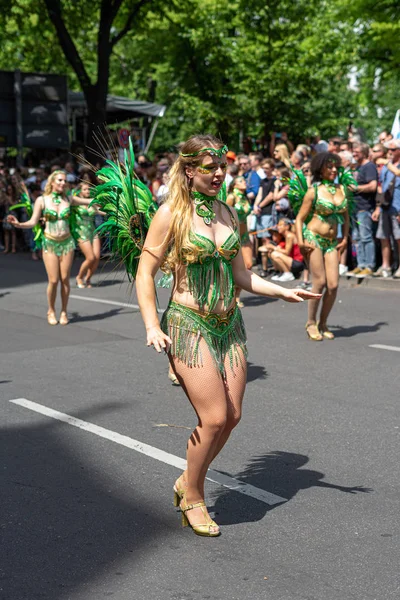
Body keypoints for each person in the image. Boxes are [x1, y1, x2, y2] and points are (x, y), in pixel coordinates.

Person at [134, 134, 319, 536]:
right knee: (214, 417)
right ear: (188, 170)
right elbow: (145, 273)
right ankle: (194, 497)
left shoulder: (228, 213)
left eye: (222, 167)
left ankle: (187, 478)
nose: (219, 173)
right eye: (209, 167)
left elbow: (241, 274)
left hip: (229, 324)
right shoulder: (171, 215)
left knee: (232, 416)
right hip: (188, 322)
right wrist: (151, 324)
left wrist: (283, 290)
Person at [7, 170, 91, 325]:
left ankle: (64, 311)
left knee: (65, 279)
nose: (63, 183)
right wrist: (18, 224)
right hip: (50, 243)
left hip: (67, 243)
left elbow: (88, 202)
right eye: (59, 180)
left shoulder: (69, 198)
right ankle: (51, 310)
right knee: (53, 280)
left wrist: (107, 199)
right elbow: (33, 222)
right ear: (52, 182)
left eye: (64, 181)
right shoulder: (42, 200)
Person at [294, 152, 353, 341]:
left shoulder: (342, 189)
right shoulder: (314, 191)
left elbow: (345, 217)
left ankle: (323, 322)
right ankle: (311, 322)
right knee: (319, 282)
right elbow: (299, 219)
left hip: (331, 242)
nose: (334, 170)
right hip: (314, 237)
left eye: (336, 166)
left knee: (334, 285)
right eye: (330, 166)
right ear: (321, 168)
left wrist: (344, 237)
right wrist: (301, 241)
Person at [347, 142, 379, 277]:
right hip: (355, 209)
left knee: (366, 237)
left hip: (364, 209)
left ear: (365, 153)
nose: (354, 154)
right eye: (353, 152)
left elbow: (373, 186)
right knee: (357, 238)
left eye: (357, 152)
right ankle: (360, 265)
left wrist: (356, 188)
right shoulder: (357, 167)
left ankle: (369, 266)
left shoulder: (369, 166)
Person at [374, 139, 400, 278]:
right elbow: (381, 188)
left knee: (399, 238)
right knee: (383, 237)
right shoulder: (385, 167)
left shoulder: (391, 166)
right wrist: (378, 207)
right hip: (385, 207)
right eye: (388, 150)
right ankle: (386, 266)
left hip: (397, 206)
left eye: (393, 150)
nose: (390, 153)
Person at [226, 175, 253, 305]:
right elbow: (223, 214)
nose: (244, 183)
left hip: (245, 236)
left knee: (248, 265)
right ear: (234, 185)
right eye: (240, 181)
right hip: (234, 236)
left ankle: (237, 294)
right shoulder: (231, 197)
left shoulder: (245, 198)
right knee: (234, 267)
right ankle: (232, 296)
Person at [74, 182, 101, 288]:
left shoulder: (92, 202)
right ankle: (79, 277)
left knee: (97, 257)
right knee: (90, 257)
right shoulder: (75, 202)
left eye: (89, 189)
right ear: (80, 191)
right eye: (85, 189)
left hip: (93, 231)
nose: (87, 191)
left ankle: (88, 278)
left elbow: (101, 211)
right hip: (81, 232)